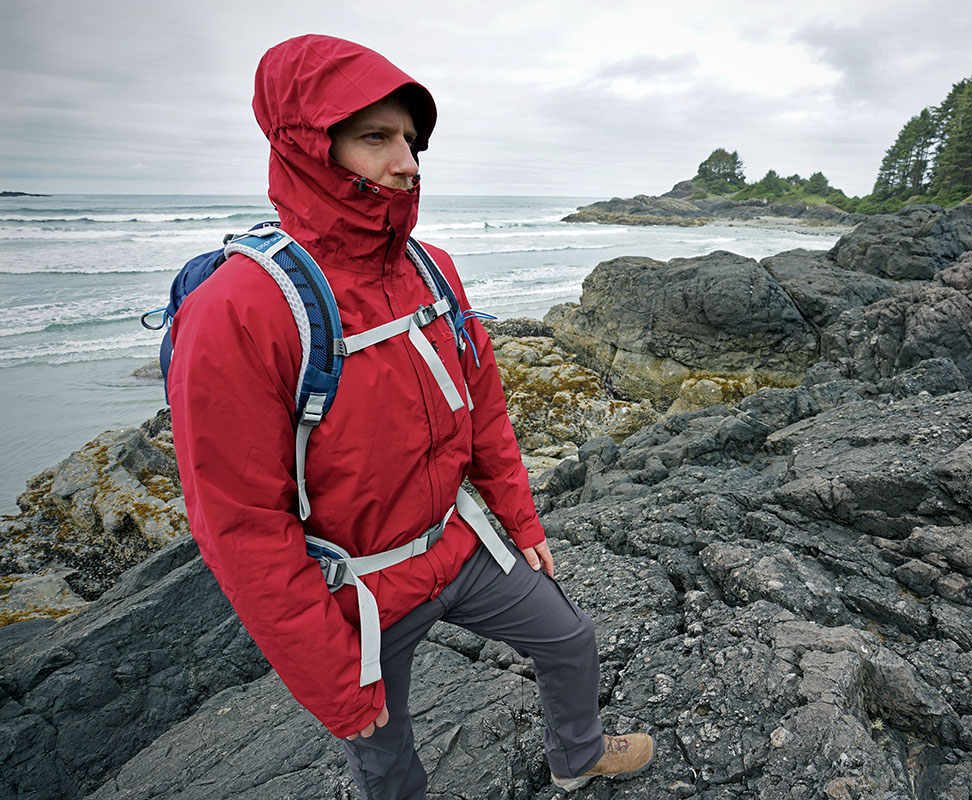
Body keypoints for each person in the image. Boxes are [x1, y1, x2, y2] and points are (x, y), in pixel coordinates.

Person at [168, 34, 653, 798]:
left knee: (570, 638)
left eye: (411, 140)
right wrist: (331, 677)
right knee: (384, 758)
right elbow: (240, 523)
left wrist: (521, 522)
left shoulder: (431, 268)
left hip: (458, 546)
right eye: (376, 138)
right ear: (307, 147)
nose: (409, 162)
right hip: (359, 589)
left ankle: (577, 754)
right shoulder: (238, 309)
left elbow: (483, 408)